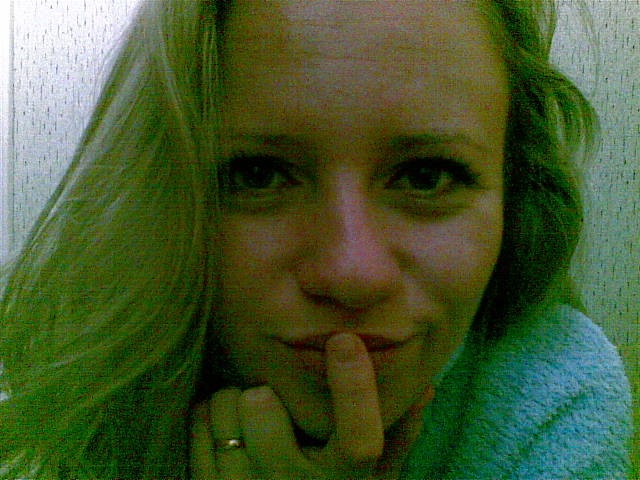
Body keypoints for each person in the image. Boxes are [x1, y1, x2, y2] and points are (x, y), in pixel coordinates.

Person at [0, 0, 632, 478]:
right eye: (258, 174)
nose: (353, 273)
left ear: (515, 198)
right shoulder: (62, 392)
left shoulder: (553, 399)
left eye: (426, 176)